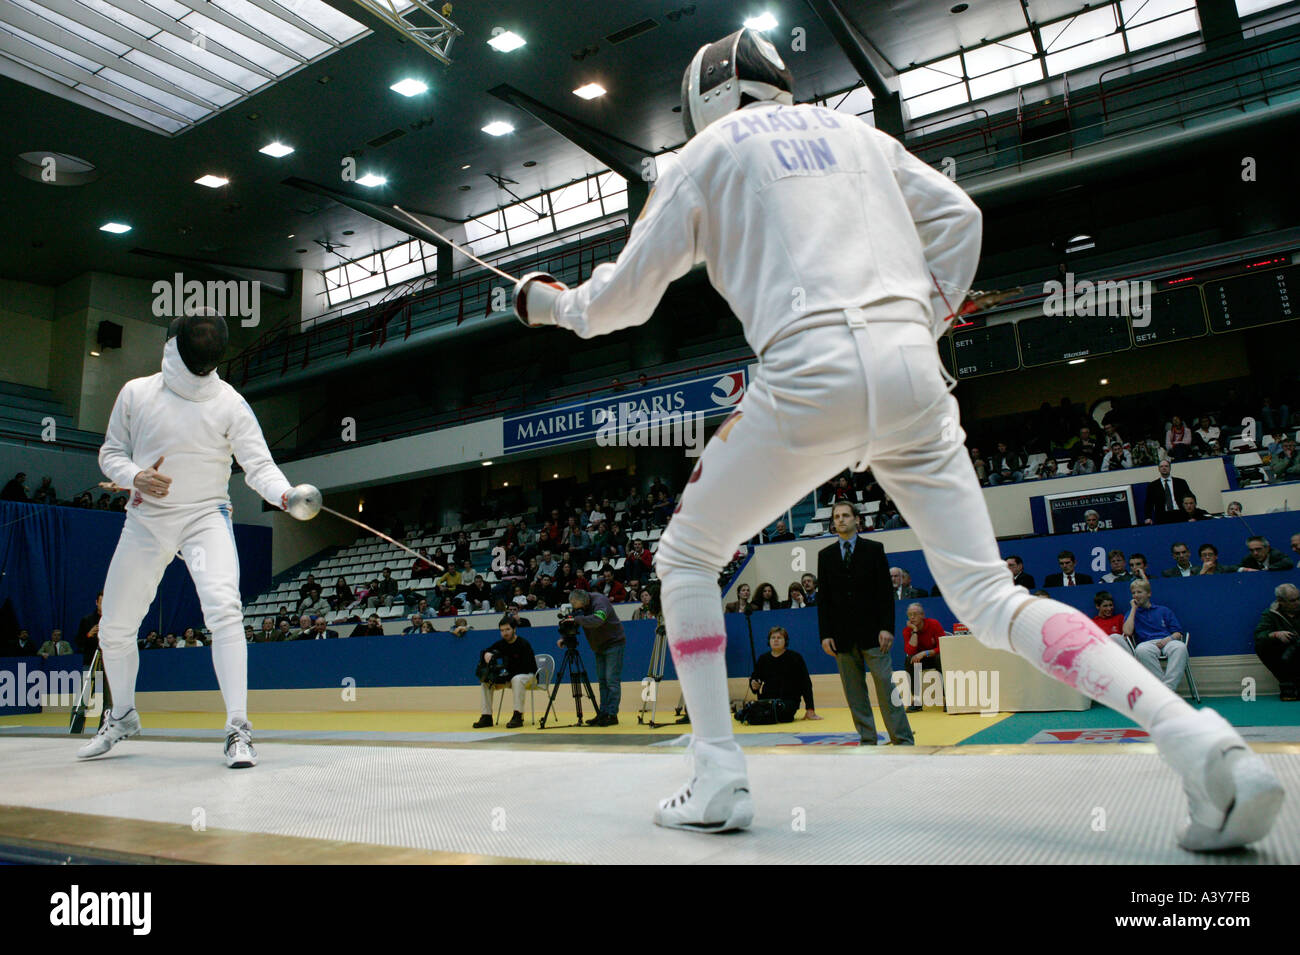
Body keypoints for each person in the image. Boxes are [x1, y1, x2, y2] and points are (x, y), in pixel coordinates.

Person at [510, 27, 1281, 846]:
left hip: (807, 373)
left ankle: (716, 774)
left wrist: (546, 301)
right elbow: (959, 215)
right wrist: (923, 317)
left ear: (704, 101)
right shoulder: (856, 133)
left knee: (686, 557)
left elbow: (620, 304)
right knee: (990, 597)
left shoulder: (704, 155)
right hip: (915, 371)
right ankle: (1199, 743)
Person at [77, 312, 320, 769]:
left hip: (205, 517)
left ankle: (238, 729)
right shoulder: (137, 393)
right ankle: (123, 715)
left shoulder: (229, 403)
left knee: (224, 610)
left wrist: (284, 494)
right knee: (114, 627)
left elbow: (259, 467)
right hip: (147, 519)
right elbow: (110, 453)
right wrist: (135, 477)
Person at [817, 501, 913, 746]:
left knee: (886, 685)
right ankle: (868, 739)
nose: (840, 520)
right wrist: (825, 634)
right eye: (836, 516)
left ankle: (902, 739)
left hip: (873, 633)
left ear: (857, 519)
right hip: (841, 636)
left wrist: (887, 628)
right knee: (854, 693)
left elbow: (884, 592)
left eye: (845, 515)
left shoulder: (873, 549)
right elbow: (824, 599)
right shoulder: (825, 556)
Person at [562, 588, 626, 726]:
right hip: (599, 646)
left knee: (611, 680)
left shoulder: (600, 601)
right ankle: (603, 713)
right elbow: (573, 622)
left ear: (584, 600)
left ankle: (612, 715)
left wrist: (578, 619)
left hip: (614, 643)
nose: (577, 609)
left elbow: (598, 619)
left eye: (577, 606)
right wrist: (564, 638)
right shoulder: (581, 606)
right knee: (602, 681)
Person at [1123, 579, 1189, 693]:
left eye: (1139, 592)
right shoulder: (1131, 613)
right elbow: (1127, 632)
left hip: (1168, 640)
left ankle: (1168, 689)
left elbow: (1178, 633)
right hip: (1147, 643)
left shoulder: (1163, 610)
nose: (1136, 595)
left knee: (1180, 647)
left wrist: (1168, 639)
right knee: (1141, 650)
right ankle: (1165, 691)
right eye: (1133, 593)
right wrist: (1134, 609)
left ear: (1148, 593)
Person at [473, 619, 538, 729]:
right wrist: (487, 653)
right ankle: (487, 717)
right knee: (486, 683)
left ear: (514, 629)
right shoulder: (501, 644)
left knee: (517, 679)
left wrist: (506, 675)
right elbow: (485, 651)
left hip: (529, 676)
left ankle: (518, 716)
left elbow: (527, 668)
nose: (505, 633)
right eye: (502, 630)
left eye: (507, 629)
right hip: (511, 677)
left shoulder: (523, 644)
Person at [748, 625, 818, 720]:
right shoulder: (763, 659)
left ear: (786, 641)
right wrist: (753, 685)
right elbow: (755, 679)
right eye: (773, 638)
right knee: (749, 714)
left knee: (782, 715)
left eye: (779, 638)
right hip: (767, 701)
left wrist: (810, 709)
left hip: (788, 701)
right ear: (769, 641)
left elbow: (805, 684)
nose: (776, 640)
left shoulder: (795, 658)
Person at [1255, 583, 1300, 701]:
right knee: (1262, 645)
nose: (1297, 602)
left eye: (1299, 598)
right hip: (1287, 653)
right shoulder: (1270, 614)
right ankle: (1288, 686)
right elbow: (1259, 635)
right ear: (1281, 601)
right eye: (1293, 600)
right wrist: (1276, 634)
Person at [901, 603, 943, 712]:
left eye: (915, 614)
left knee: (940, 658)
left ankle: (948, 699)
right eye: (909, 615)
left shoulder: (934, 624)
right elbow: (910, 651)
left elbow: (943, 647)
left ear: (922, 615)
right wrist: (914, 631)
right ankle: (917, 701)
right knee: (909, 660)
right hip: (920, 660)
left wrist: (925, 653)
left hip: (935, 657)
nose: (912, 617)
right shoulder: (907, 630)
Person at [1144, 459, 1192, 525]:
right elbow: (1149, 503)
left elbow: (1190, 498)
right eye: (1161, 466)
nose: (1164, 468)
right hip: (1162, 516)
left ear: (1170, 468)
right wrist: (1148, 517)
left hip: (1180, 513)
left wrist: (1191, 515)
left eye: (1166, 466)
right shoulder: (1152, 486)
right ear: (1158, 469)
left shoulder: (1181, 482)